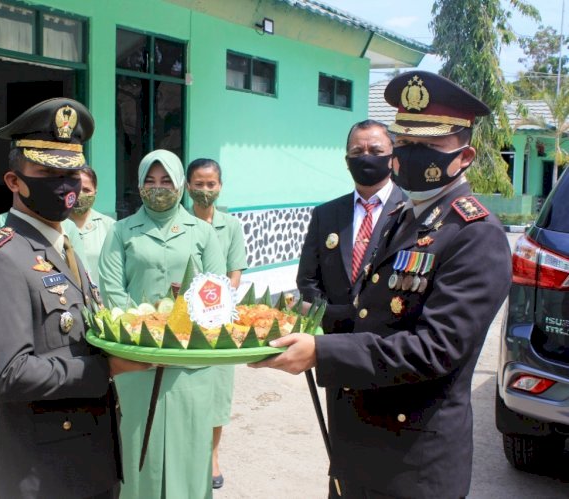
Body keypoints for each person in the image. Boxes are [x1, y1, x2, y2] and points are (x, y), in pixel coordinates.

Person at [251, 71, 513, 499]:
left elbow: (435, 349)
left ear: (465, 156)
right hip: (359, 445)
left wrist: (321, 351)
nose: (409, 156)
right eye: (405, 143)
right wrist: (284, 326)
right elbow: (366, 315)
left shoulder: (474, 234)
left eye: (427, 146)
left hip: (412, 462)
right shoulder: (405, 217)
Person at [0, 98, 145, 498]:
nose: (64, 184)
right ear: (14, 181)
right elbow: (9, 375)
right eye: (47, 171)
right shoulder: (0, 258)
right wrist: (107, 368)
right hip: (45, 471)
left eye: (72, 171)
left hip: (93, 457)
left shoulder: (64, 246)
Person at [98, 149, 226, 499]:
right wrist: (147, 330)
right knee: (141, 446)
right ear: (139, 186)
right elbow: (112, 289)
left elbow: (215, 290)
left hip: (191, 360)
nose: (159, 188)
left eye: (167, 180)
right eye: (150, 181)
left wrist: (185, 330)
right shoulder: (121, 231)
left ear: (181, 184)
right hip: (138, 358)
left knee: (189, 448)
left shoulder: (202, 232)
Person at [296, 119, 405, 333]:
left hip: (386, 343)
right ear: (347, 161)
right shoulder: (325, 214)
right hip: (332, 342)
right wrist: (329, 318)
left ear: (393, 158)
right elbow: (308, 279)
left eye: (376, 151)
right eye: (357, 152)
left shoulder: (411, 213)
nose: (366, 157)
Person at [185, 158, 247, 490]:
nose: (205, 190)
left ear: (220, 186)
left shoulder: (230, 225)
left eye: (211, 184)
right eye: (198, 183)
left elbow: (236, 269)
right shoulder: (177, 223)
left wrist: (220, 302)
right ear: (187, 186)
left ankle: (212, 456)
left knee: (218, 392)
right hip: (182, 320)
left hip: (219, 320)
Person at [69, 166, 115, 284]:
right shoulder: (57, 225)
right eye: (76, 188)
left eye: (86, 190)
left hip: (102, 300)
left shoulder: (110, 227)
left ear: (95, 191)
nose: (80, 194)